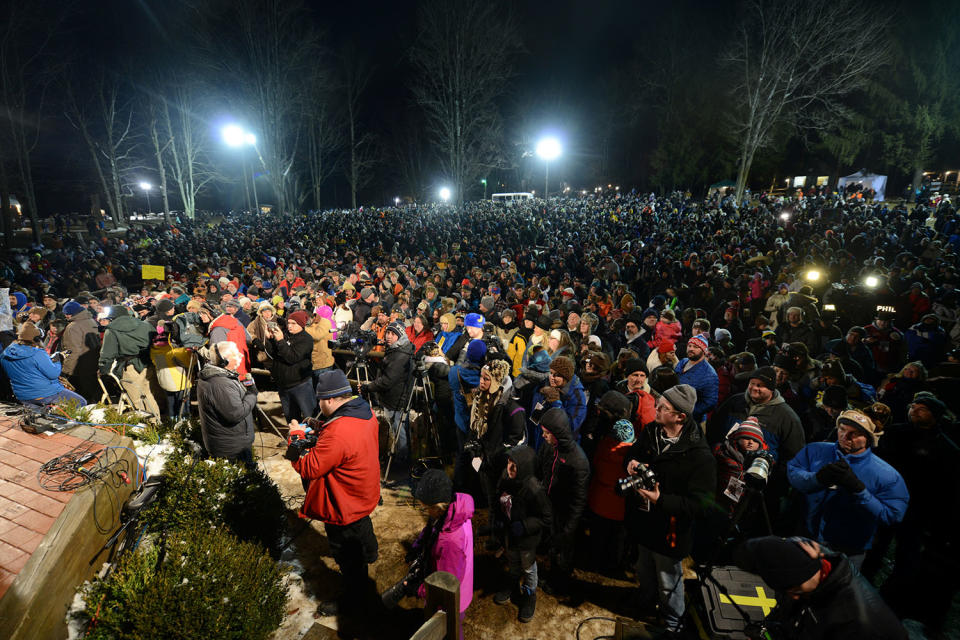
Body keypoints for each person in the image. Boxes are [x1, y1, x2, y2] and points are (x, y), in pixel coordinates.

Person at [286, 370, 381, 617]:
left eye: (319, 400)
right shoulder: (364, 410)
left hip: (343, 501)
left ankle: (354, 599)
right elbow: (344, 443)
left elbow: (310, 467)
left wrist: (294, 439)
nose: (318, 405)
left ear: (329, 400)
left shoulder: (339, 431)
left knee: (347, 555)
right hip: (362, 490)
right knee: (362, 525)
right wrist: (321, 428)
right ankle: (370, 551)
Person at [623, 384, 716, 635]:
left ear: (680, 417)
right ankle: (644, 600)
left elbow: (700, 505)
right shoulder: (653, 431)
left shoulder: (700, 457)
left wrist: (660, 499)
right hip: (644, 521)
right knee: (644, 568)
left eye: (663, 407)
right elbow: (634, 453)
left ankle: (672, 622)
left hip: (670, 531)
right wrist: (631, 462)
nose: (656, 408)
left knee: (668, 581)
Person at [787, 409, 908, 568]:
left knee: (834, 591)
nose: (845, 436)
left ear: (868, 438)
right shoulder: (815, 450)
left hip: (848, 550)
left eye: (855, 433)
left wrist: (859, 490)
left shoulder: (887, 475)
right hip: (805, 536)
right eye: (842, 429)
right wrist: (816, 479)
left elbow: (892, 515)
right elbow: (793, 472)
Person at [734, 536, 907, 640]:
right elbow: (753, 551)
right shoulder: (800, 555)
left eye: (796, 591)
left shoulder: (857, 622)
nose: (793, 597)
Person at [383, 469, 474, 637]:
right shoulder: (452, 510)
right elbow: (431, 527)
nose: (425, 511)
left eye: (426, 508)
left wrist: (418, 589)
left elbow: (446, 587)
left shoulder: (450, 542)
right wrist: (418, 546)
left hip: (452, 599)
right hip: (458, 582)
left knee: (450, 628)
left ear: (437, 507)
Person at [492, 445, 552, 624]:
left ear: (525, 467)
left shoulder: (534, 488)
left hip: (526, 540)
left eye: (515, 464)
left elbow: (547, 517)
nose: (509, 467)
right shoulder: (505, 477)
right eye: (509, 462)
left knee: (528, 567)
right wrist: (499, 518)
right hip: (509, 536)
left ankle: (529, 595)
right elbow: (498, 497)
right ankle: (512, 586)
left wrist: (525, 526)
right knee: (512, 561)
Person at [536, 408, 590, 596]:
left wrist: (569, 529)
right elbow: (542, 471)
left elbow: (579, 500)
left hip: (565, 515)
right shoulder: (549, 448)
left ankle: (560, 584)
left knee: (563, 553)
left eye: (546, 433)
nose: (543, 436)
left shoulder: (578, 461)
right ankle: (552, 575)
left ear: (558, 433)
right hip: (551, 509)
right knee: (552, 547)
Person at [196, 341, 258, 467]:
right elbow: (235, 414)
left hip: (233, 444)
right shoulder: (220, 384)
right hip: (232, 450)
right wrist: (252, 394)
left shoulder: (221, 377)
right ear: (225, 361)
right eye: (236, 354)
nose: (241, 356)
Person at [364, 321, 415, 463]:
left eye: (393, 334)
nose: (389, 336)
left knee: (399, 432)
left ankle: (402, 462)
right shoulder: (395, 350)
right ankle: (397, 457)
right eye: (388, 332)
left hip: (397, 399)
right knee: (394, 431)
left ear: (400, 336)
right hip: (391, 398)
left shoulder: (401, 354)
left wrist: (369, 387)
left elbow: (387, 380)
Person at [0, 322, 87, 406]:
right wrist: (58, 359)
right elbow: (53, 374)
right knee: (81, 402)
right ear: (36, 339)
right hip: (44, 393)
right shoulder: (37, 353)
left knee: (38, 417)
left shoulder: (5, 354)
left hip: (22, 395)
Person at [98, 306, 160, 417]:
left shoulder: (111, 330)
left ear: (112, 318)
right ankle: (156, 423)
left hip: (129, 367)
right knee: (150, 395)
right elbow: (156, 342)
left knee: (136, 400)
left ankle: (145, 429)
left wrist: (103, 369)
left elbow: (107, 354)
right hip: (148, 363)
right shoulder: (145, 325)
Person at [266, 309, 315, 423]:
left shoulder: (306, 339)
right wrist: (271, 340)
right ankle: (294, 438)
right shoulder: (285, 335)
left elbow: (292, 358)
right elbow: (274, 354)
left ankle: (315, 439)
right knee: (290, 417)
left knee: (310, 416)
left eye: (294, 323)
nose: (290, 326)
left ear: (301, 325)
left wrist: (280, 341)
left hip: (300, 384)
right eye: (289, 323)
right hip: (283, 384)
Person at [529, 355, 587, 447]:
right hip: (539, 439)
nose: (551, 377)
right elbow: (534, 416)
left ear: (566, 377)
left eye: (556, 375)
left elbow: (570, 427)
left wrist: (556, 402)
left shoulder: (577, 396)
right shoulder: (545, 385)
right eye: (551, 373)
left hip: (558, 447)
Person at [60, 299, 101, 403]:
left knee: (81, 399)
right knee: (93, 395)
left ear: (71, 314)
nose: (66, 316)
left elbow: (72, 350)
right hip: (94, 363)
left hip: (79, 367)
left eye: (67, 314)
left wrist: (66, 370)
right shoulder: (91, 321)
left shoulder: (73, 327)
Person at [673, 333, 718, 423]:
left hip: (692, 421)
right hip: (673, 412)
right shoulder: (683, 362)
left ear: (704, 351)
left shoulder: (709, 374)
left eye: (696, 347)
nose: (691, 349)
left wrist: (688, 412)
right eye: (689, 346)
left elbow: (710, 402)